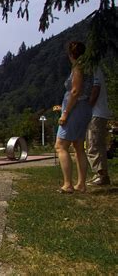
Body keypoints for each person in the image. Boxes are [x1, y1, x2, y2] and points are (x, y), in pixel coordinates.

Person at [55, 41, 93, 193]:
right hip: (84, 108)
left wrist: (65, 113)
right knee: (78, 146)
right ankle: (81, 184)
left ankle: (67, 184)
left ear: (71, 54)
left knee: (61, 145)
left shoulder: (78, 68)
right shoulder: (88, 68)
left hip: (75, 110)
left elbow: (75, 91)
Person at [86, 66, 113, 186]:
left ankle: (101, 175)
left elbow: (96, 89)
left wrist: (87, 107)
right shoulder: (96, 70)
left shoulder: (94, 70)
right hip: (99, 113)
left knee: (94, 144)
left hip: (96, 113)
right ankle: (101, 174)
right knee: (97, 144)